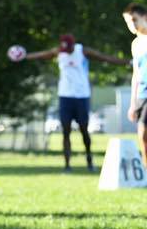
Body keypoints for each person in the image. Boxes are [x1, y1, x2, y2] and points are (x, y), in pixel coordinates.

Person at [14, 34, 128, 172]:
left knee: (84, 130)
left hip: (81, 96)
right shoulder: (59, 52)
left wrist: (128, 62)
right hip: (65, 96)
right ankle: (67, 165)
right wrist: (25, 56)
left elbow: (105, 58)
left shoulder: (83, 51)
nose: (66, 52)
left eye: (68, 50)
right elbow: (43, 55)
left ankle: (89, 159)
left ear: (73, 45)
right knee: (66, 131)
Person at [122, 3, 147, 166]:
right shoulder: (136, 44)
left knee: (143, 130)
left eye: (134, 20)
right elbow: (136, 75)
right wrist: (132, 104)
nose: (132, 25)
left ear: (145, 17)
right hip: (142, 95)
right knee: (142, 135)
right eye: (128, 22)